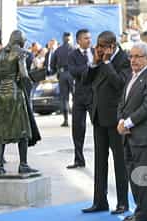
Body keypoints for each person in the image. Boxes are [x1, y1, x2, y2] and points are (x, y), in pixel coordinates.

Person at [82, 31, 130, 214]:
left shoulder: (123, 60)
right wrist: (95, 63)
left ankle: (122, 202)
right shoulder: (99, 59)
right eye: (98, 45)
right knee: (100, 162)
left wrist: (107, 62)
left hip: (115, 119)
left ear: (112, 46)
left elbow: (119, 84)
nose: (98, 49)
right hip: (98, 117)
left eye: (102, 46)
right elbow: (86, 81)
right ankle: (100, 201)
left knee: (120, 162)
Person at [117, 42, 147, 221]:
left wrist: (128, 122)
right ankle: (140, 210)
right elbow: (122, 102)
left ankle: (144, 214)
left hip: (143, 135)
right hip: (127, 135)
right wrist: (120, 120)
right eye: (131, 56)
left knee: (142, 176)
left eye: (138, 56)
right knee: (132, 175)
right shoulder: (131, 76)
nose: (133, 60)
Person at [0, 30, 38, 175]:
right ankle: (23, 164)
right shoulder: (20, 52)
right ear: (20, 40)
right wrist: (31, 82)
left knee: (0, 131)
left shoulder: (0, 53)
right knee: (23, 130)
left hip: (1, 93)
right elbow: (24, 75)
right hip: (15, 93)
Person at [67, 29, 93, 169]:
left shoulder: (96, 52)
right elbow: (74, 72)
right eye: (85, 38)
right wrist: (90, 66)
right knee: (78, 128)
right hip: (80, 96)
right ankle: (78, 159)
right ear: (78, 41)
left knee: (100, 127)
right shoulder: (72, 55)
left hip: (95, 95)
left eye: (89, 38)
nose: (89, 40)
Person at [51, 32, 74, 127]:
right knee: (76, 97)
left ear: (63, 39)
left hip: (62, 74)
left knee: (64, 98)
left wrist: (56, 72)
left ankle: (66, 120)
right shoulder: (74, 49)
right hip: (73, 74)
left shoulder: (58, 50)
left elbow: (52, 64)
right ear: (70, 39)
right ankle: (76, 118)